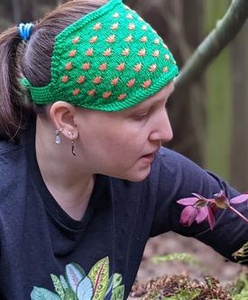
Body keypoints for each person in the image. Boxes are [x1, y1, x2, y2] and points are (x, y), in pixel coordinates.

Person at [0, 0, 247, 299]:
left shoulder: (155, 176)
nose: (166, 132)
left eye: (164, 104)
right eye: (141, 115)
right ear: (66, 119)